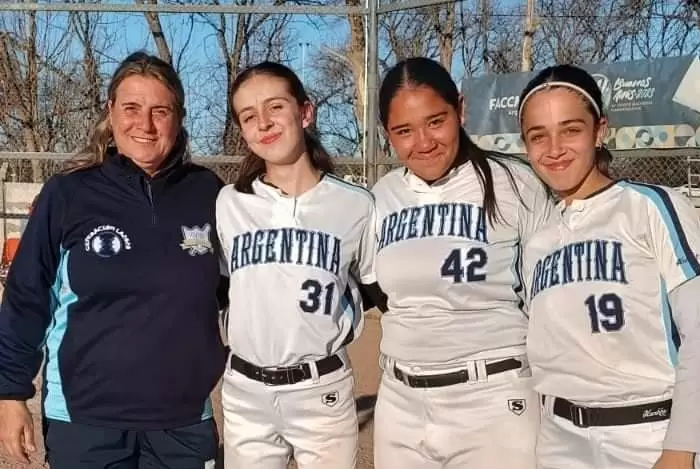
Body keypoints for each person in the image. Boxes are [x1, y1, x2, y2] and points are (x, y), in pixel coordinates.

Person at [0, 51, 227, 469]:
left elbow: (240, 292)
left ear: (178, 118)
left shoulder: (209, 193)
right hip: (86, 421)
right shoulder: (68, 194)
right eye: (131, 108)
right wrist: (10, 393)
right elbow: (27, 299)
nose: (145, 124)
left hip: (183, 422)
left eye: (160, 111)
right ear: (110, 112)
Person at [518, 64, 700, 469]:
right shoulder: (538, 238)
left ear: (599, 130)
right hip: (560, 439)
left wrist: (681, 447)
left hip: (646, 435)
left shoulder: (651, 206)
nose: (554, 148)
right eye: (538, 135)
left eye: (571, 129)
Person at [370, 56, 554, 469]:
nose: (423, 142)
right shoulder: (382, 197)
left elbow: (549, 297)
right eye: (404, 131)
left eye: (436, 121)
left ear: (461, 109)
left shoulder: (514, 182)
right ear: (387, 134)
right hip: (401, 402)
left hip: (491, 397)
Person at [216, 61, 376, 469]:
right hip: (245, 391)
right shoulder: (229, 203)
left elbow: (374, 289)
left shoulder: (355, 204)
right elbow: (221, 288)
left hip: (321, 387)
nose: (264, 123)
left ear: (305, 112)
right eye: (249, 116)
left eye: (275, 108)